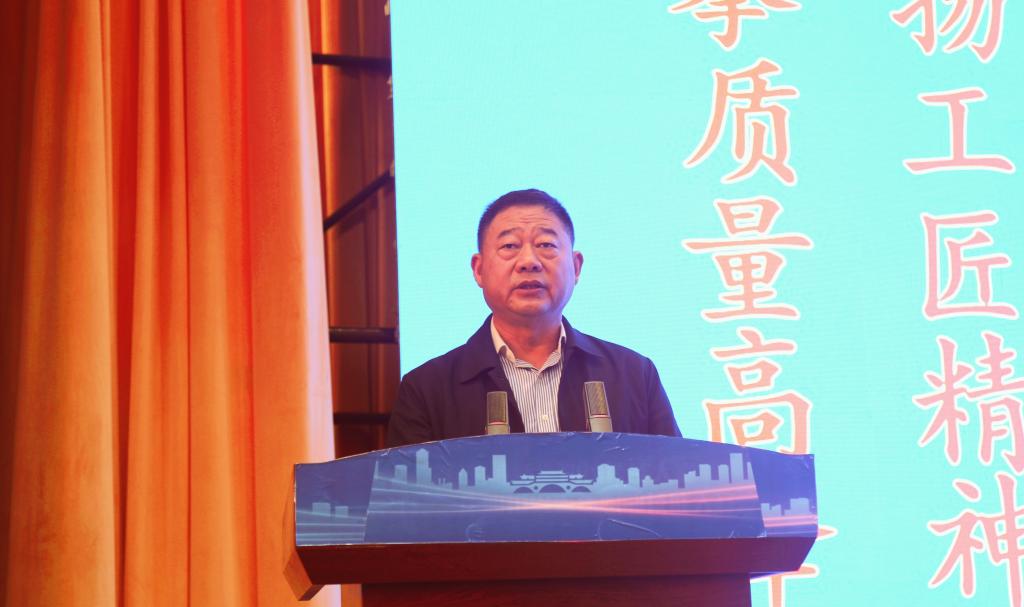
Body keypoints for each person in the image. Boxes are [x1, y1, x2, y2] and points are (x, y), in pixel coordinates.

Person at [386, 189, 681, 446]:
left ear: (576, 267)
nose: (529, 262)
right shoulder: (426, 389)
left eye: (546, 245)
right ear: (479, 269)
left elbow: (675, 479)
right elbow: (411, 492)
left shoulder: (634, 375)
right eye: (509, 246)